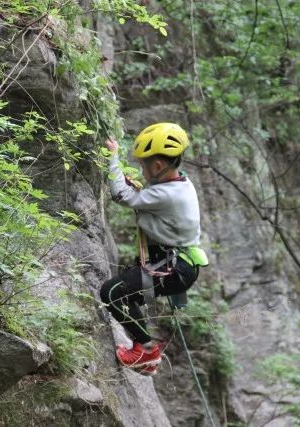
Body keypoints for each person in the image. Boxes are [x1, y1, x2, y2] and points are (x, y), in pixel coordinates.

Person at [100, 122, 207, 376]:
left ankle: (147, 350)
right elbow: (151, 200)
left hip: (174, 267)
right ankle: (145, 354)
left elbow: (121, 196)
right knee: (127, 293)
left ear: (158, 167)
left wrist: (113, 156)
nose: (141, 169)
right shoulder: (180, 183)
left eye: (143, 164)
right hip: (176, 263)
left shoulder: (169, 194)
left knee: (112, 292)